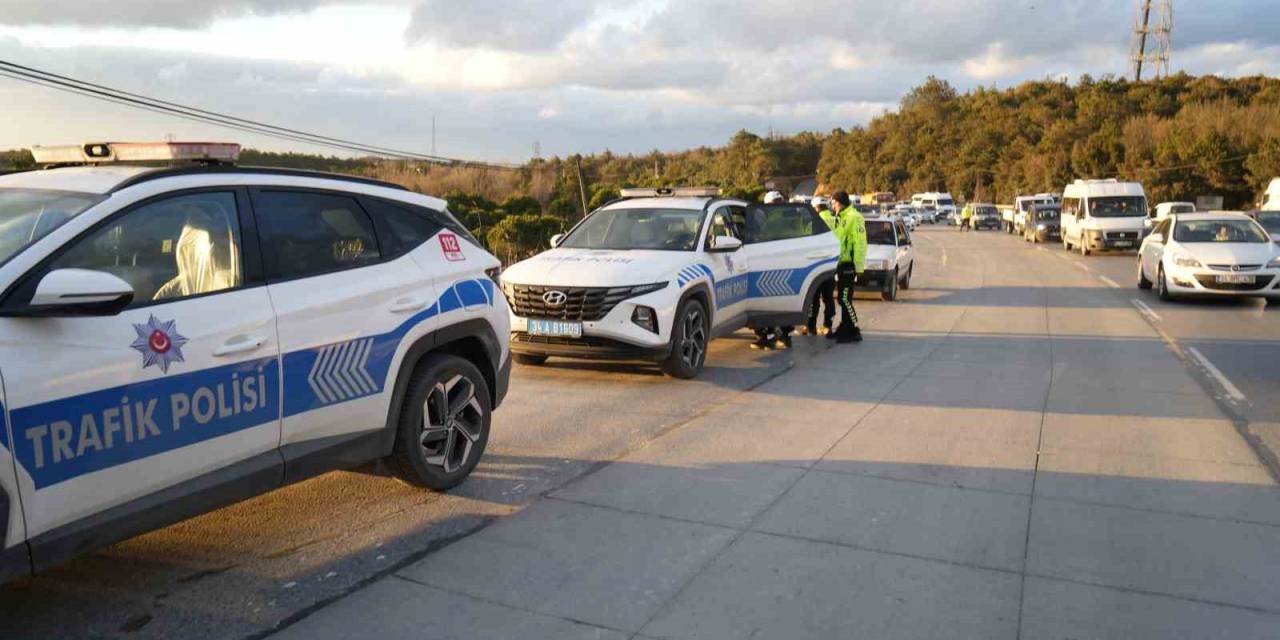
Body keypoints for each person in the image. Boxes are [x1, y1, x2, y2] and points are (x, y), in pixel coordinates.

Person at [750, 190, 794, 350]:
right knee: (785, 301)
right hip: (788, 265)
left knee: (767, 301)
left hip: (772, 265)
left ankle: (767, 336)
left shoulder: (767, 219)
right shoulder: (793, 216)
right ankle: (784, 336)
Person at [829, 191, 865, 343]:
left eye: (833, 202)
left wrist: (859, 267)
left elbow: (860, 243)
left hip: (849, 264)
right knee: (841, 299)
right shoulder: (840, 217)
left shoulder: (854, 217)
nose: (832, 205)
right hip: (840, 264)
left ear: (840, 202)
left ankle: (854, 330)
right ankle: (845, 328)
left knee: (845, 298)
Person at [801, 196, 836, 336]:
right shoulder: (836, 221)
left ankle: (810, 327)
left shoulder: (813, 222)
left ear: (815, 208)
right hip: (832, 264)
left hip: (816, 265)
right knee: (828, 298)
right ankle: (828, 326)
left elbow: (807, 243)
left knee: (813, 298)